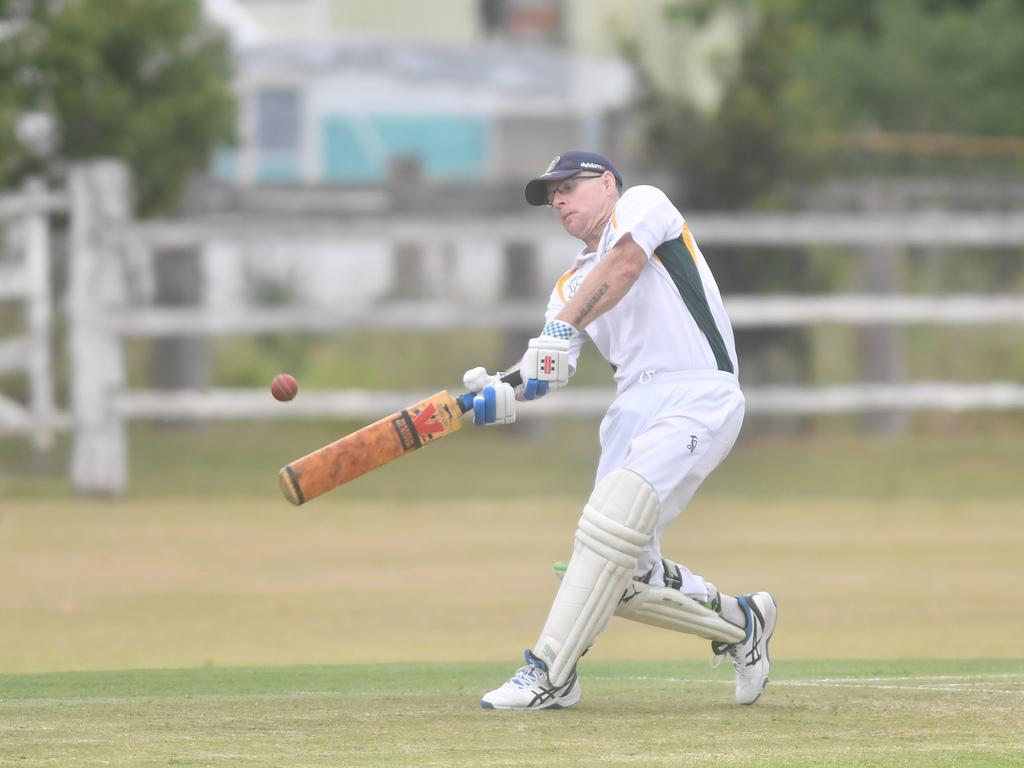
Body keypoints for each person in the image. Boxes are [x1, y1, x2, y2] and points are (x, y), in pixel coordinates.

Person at [462, 150, 777, 710]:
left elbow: (625, 267)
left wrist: (556, 333)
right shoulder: (569, 287)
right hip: (631, 410)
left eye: (568, 187)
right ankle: (743, 623)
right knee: (624, 577)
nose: (558, 200)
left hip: (699, 392)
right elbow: (549, 367)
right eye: (550, 195)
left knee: (611, 526)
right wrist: (502, 388)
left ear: (606, 183)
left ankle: (549, 673)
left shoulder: (643, 205)